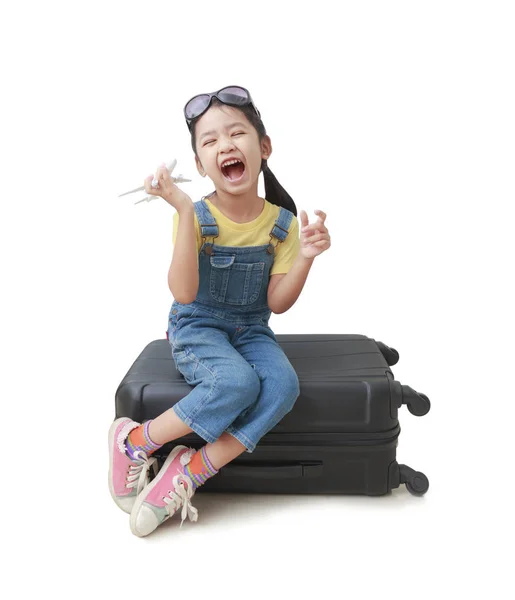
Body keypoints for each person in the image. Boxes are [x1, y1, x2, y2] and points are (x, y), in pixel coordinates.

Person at [108, 85, 331, 537]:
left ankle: (193, 468)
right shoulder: (196, 216)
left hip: (251, 329)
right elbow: (185, 293)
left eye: (236, 133)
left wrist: (305, 256)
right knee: (237, 382)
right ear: (199, 165)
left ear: (263, 147)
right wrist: (184, 212)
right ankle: (133, 441)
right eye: (209, 141)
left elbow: (276, 304)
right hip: (197, 326)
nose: (225, 145)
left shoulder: (283, 224)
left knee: (283, 385)